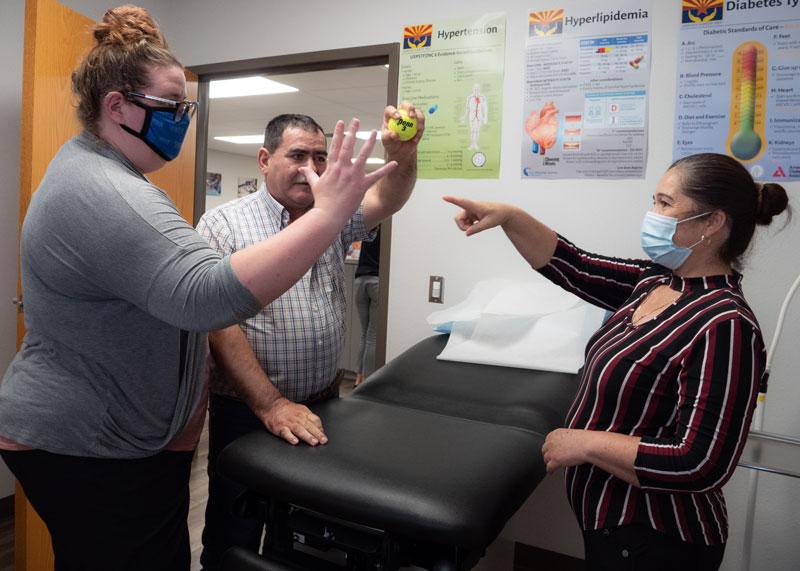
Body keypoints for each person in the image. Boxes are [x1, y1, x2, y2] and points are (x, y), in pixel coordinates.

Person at [0, 6, 395, 571]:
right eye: (172, 107)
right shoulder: (104, 190)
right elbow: (208, 298)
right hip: (89, 443)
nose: (183, 120)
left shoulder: (113, 177)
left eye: (187, 107)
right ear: (117, 107)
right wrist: (328, 217)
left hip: (123, 440)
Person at [444, 153, 790, 570]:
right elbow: (573, 265)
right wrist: (509, 217)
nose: (652, 214)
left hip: (660, 539)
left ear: (711, 223)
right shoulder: (656, 282)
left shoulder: (725, 324)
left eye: (664, 203)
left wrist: (585, 442)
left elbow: (701, 463)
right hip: (610, 525)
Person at [196, 108, 423, 568]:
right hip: (248, 409)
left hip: (321, 406)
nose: (311, 169)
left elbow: (390, 197)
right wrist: (270, 404)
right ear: (264, 160)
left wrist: (404, 154)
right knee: (233, 526)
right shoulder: (223, 226)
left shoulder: (333, 216)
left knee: (305, 528)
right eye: (297, 155)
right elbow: (219, 324)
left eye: (320, 157)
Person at [354, 225, 381, 386]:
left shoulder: (369, 227)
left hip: (359, 281)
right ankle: (367, 380)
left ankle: (358, 377)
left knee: (364, 334)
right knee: (372, 336)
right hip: (376, 282)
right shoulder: (389, 232)